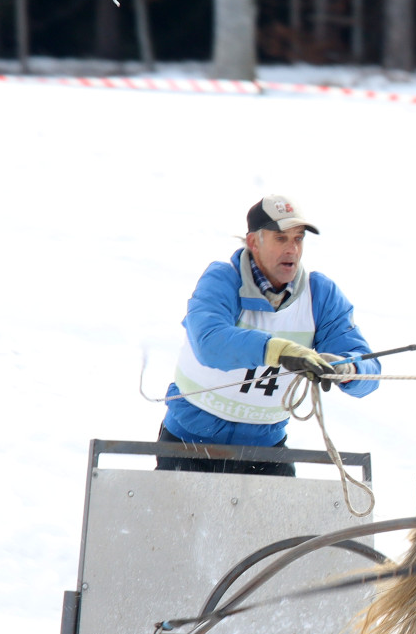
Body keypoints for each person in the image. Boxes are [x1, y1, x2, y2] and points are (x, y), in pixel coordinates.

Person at [157, 194, 381, 476]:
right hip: (187, 445)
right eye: (281, 238)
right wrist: (279, 351)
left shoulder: (321, 295)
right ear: (254, 242)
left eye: (298, 239)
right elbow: (210, 343)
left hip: (265, 451)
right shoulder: (222, 279)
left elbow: (369, 369)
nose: (292, 249)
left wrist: (348, 369)